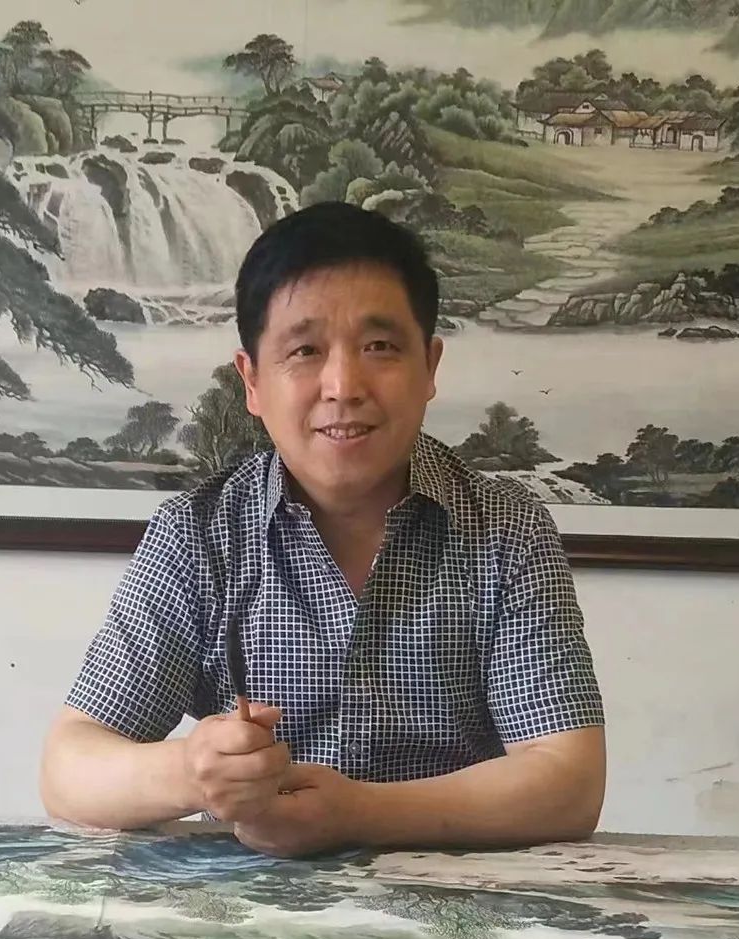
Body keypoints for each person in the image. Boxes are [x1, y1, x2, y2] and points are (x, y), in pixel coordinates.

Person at [41, 201, 606, 857]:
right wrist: (193, 771)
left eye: (380, 347)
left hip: (454, 904)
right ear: (252, 381)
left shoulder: (507, 528)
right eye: (304, 350)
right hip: (248, 907)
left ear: (429, 367)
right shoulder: (198, 535)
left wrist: (359, 814)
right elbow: (69, 771)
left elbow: (569, 782)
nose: (343, 385)